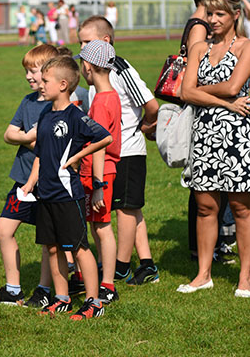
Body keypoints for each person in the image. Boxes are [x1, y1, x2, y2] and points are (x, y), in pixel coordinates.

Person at [180, 0, 250, 297]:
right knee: (204, 206)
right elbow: (185, 92)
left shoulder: (249, 46)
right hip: (204, 133)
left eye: (219, 13)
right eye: (209, 13)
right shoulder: (199, 47)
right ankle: (203, 274)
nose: (212, 19)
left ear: (235, 15)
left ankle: (244, 276)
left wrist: (203, 90)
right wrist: (225, 101)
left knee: (242, 207)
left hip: (236, 136)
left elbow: (232, 86)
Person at [20, 56, 112, 320]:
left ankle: (94, 302)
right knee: (52, 246)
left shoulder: (75, 115)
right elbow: (40, 154)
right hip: (45, 193)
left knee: (79, 246)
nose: (40, 84)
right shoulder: (46, 115)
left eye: (45, 81)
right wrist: (29, 184)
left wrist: (76, 157)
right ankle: (61, 298)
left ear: (63, 85)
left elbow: (104, 137)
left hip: (67, 194)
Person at [76, 16, 160, 287]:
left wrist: (144, 127)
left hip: (127, 151)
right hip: (114, 151)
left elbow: (151, 104)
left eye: (87, 42)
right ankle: (146, 264)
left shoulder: (120, 68)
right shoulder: (96, 78)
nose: (83, 47)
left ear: (105, 41)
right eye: (80, 42)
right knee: (131, 208)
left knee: (124, 209)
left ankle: (121, 266)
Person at [0, 43, 59, 307]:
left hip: (47, 182)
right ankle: (13, 289)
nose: (28, 77)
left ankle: (44, 290)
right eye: (27, 71)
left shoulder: (57, 105)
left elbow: (55, 145)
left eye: (33, 71)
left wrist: (31, 140)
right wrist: (28, 137)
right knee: (2, 229)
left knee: (47, 239)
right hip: (22, 180)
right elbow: (9, 133)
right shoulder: (28, 102)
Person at [182, 0, 236, 264]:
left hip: (209, 104)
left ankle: (213, 243)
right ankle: (206, 246)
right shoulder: (200, 27)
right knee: (204, 186)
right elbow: (197, 75)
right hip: (204, 108)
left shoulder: (197, 22)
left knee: (207, 184)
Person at [76, 39, 122, 304]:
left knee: (103, 228)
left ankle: (108, 284)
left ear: (89, 67)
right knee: (96, 227)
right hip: (98, 172)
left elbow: (100, 145)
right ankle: (100, 275)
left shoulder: (102, 102)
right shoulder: (108, 97)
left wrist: (97, 186)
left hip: (100, 173)